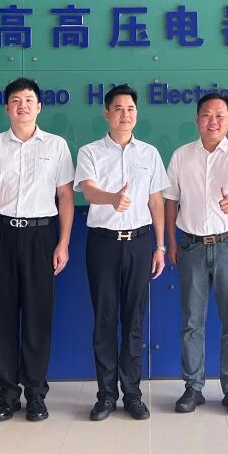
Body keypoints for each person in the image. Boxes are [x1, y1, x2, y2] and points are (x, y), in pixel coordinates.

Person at [0, 77, 74, 422]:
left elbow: (65, 196)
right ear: (6, 108)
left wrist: (63, 242)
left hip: (41, 236)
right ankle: (7, 394)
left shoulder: (56, 146)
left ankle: (36, 393)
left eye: (28, 100)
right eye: (15, 100)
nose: (22, 106)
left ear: (39, 106)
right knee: (1, 316)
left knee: (38, 317)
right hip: (0, 234)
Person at [74, 85, 169, 421]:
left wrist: (160, 246)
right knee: (104, 318)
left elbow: (156, 201)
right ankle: (105, 395)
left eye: (130, 109)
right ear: (107, 113)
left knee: (133, 320)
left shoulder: (150, 154)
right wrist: (112, 198)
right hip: (103, 243)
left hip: (140, 243)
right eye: (118, 109)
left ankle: (132, 394)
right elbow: (88, 191)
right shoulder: (90, 152)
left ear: (136, 114)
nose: (124, 115)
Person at [164, 92, 228, 416]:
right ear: (197, 119)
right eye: (206, 115)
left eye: (219, 116)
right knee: (192, 321)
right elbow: (171, 200)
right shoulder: (181, 155)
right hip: (190, 246)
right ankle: (193, 386)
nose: (212, 121)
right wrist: (171, 242)